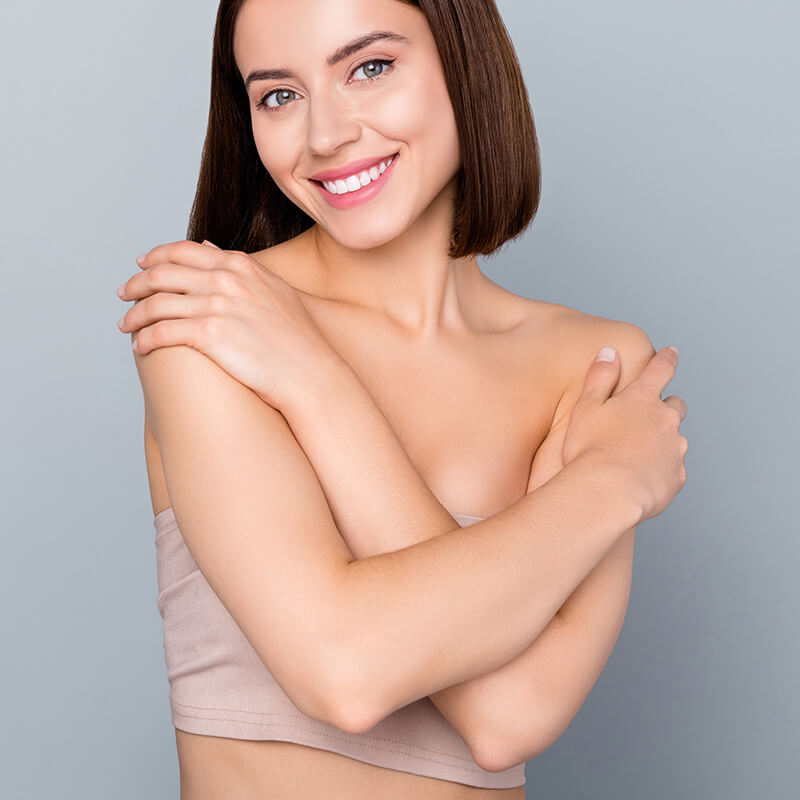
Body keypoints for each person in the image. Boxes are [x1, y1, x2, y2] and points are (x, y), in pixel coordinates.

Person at [116, 0, 688, 796]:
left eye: (369, 67)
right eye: (278, 95)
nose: (325, 135)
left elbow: (507, 718)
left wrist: (316, 389)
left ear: (464, 64)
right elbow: (344, 669)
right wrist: (612, 484)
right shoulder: (212, 320)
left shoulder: (594, 363)